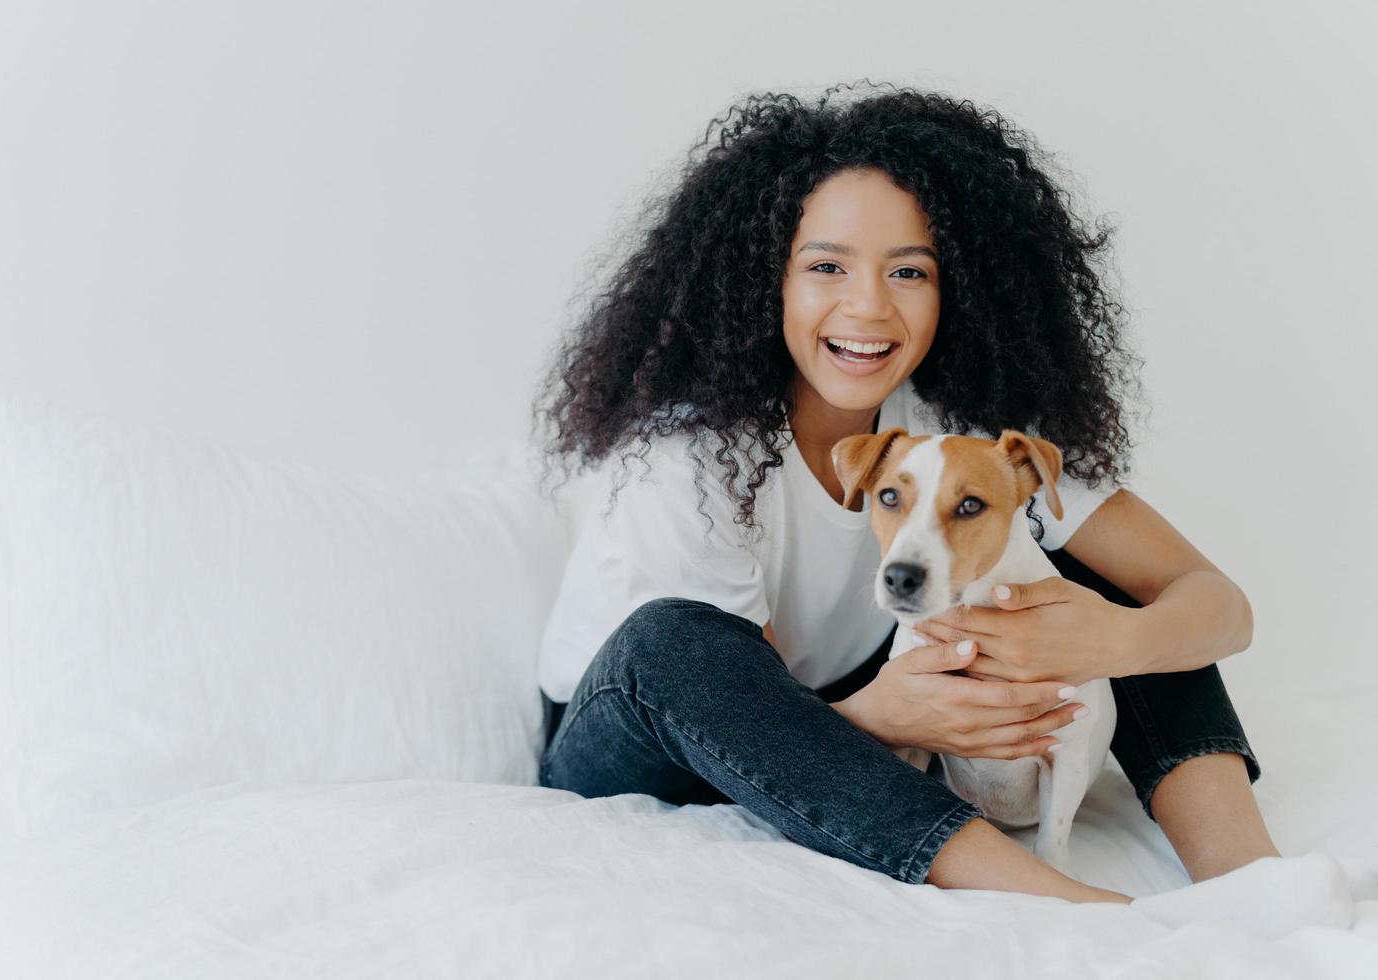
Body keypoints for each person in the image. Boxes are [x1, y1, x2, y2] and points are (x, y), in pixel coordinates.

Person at [526, 81, 1277, 904]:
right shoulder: (691, 457)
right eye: (825, 267)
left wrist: (1112, 643)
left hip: (840, 708)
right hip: (644, 734)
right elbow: (747, 716)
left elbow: (1219, 606)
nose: (869, 307)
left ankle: (1250, 884)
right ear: (759, 280)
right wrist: (888, 717)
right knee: (674, 639)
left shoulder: (964, 433)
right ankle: (1063, 902)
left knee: (1099, 592)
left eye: (909, 271)